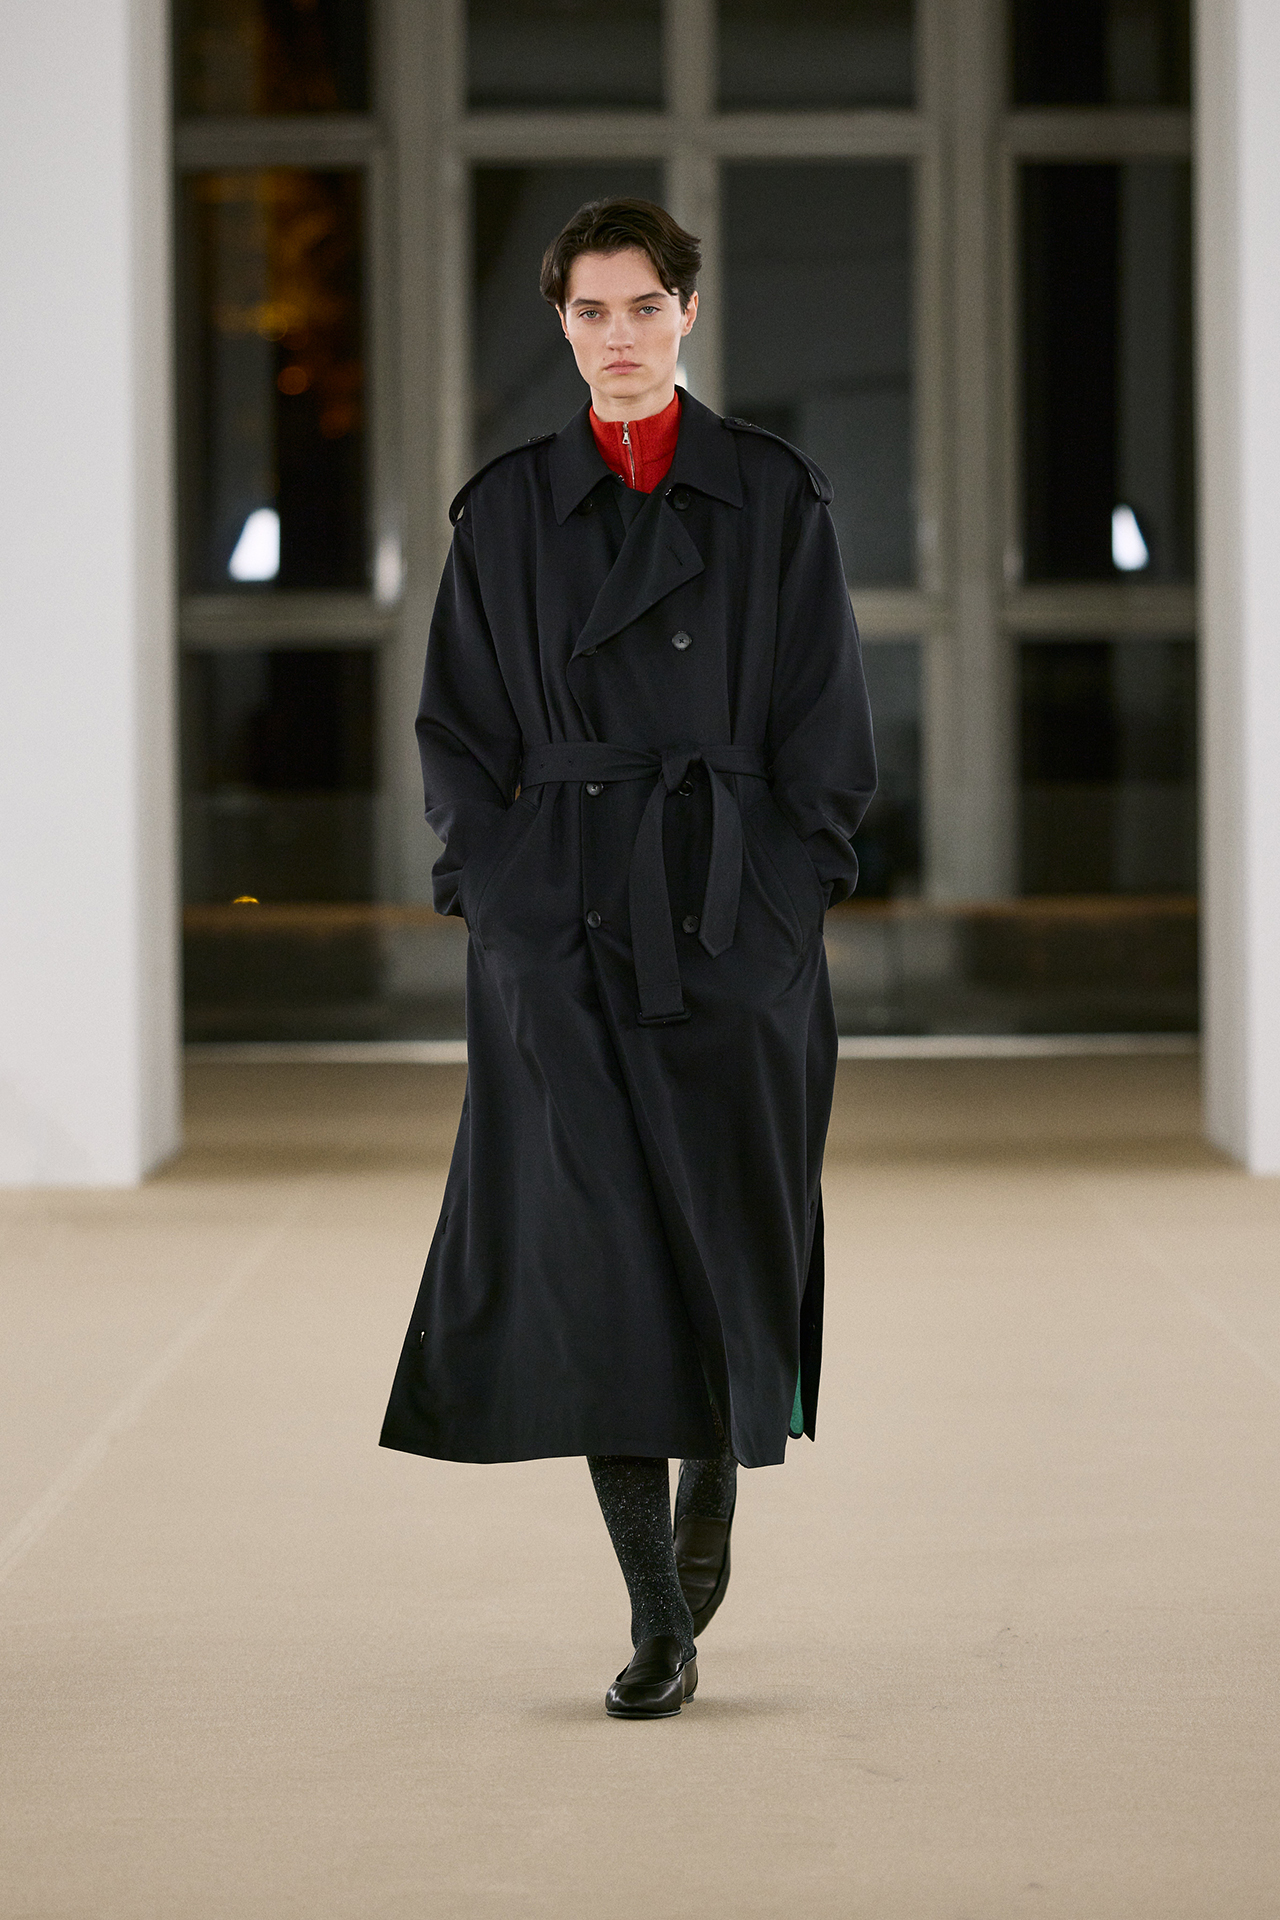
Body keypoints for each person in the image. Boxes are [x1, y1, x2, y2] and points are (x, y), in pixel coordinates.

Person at [381, 197, 876, 1719]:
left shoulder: (773, 493)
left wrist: (787, 898)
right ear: (562, 324)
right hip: (566, 938)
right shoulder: (506, 512)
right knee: (595, 1263)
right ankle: (658, 1609)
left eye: (643, 307)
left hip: (728, 924)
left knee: (730, 1231)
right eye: (590, 312)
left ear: (687, 313)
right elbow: (459, 733)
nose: (618, 337)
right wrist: (507, 902)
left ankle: (716, 1468)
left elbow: (826, 720)